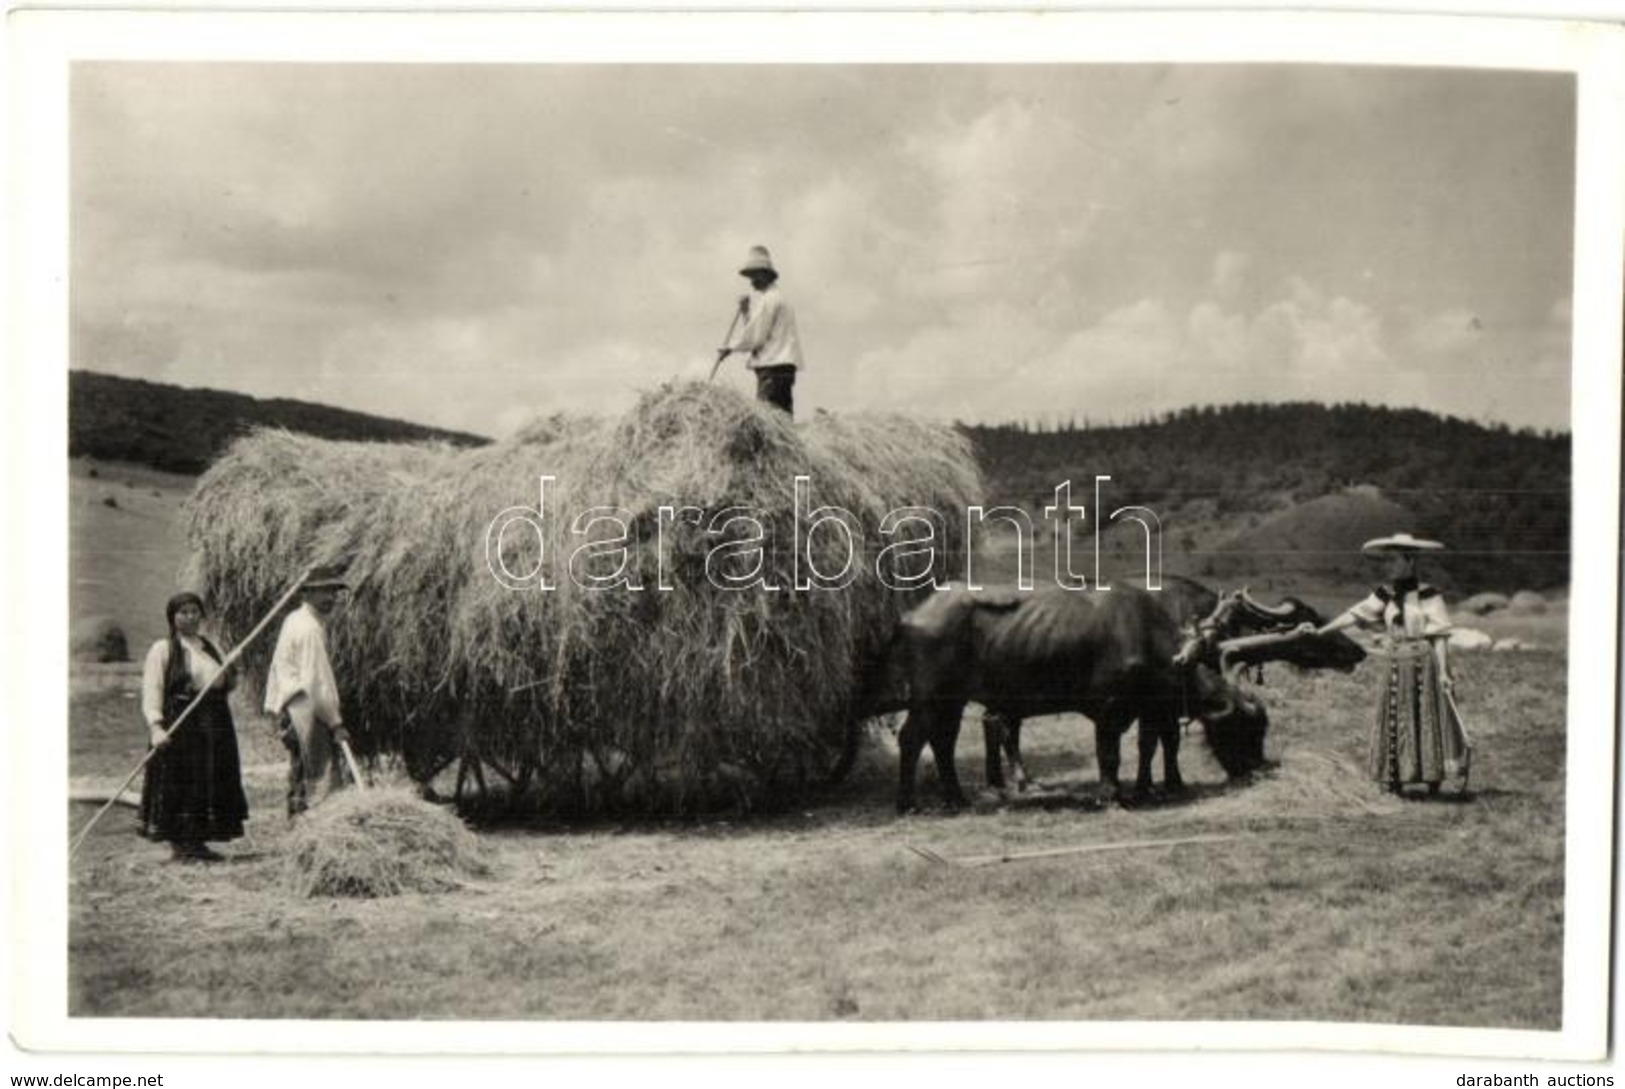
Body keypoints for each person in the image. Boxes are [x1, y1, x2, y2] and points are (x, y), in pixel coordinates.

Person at [1299, 533, 1471, 796]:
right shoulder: (1385, 595)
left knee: (1425, 714)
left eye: (1393, 560)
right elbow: (1353, 615)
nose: (1387, 566)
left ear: (1409, 561)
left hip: (1423, 661)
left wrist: (1444, 672)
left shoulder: (1429, 595)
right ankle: (1397, 777)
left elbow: (1439, 637)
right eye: (1386, 560)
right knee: (1396, 716)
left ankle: (1430, 777)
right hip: (1394, 663)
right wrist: (1322, 631)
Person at [139, 591, 249, 861]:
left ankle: (198, 841)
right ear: (172, 617)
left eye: (195, 611)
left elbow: (227, 685)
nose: (190, 617)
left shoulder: (210, 647)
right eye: (184, 612)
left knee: (210, 778)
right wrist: (156, 726)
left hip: (214, 722)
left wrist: (233, 668)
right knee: (183, 780)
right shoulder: (163, 649)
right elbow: (152, 690)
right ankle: (181, 843)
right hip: (182, 722)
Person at [264, 563, 353, 817]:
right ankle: (315, 827)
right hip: (305, 709)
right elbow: (317, 681)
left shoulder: (295, 619)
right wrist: (335, 723)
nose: (329, 598)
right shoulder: (309, 629)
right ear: (306, 594)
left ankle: (299, 825)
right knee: (319, 775)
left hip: (292, 708)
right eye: (322, 591)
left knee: (301, 769)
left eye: (333, 592)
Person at [716, 245, 805, 416]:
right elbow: (758, 333)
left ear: (765, 274)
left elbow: (755, 339)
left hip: (772, 369)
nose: (752, 281)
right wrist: (746, 312)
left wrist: (729, 348)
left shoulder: (769, 300)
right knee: (783, 421)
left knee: (768, 422)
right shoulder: (781, 298)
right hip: (785, 369)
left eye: (754, 275)